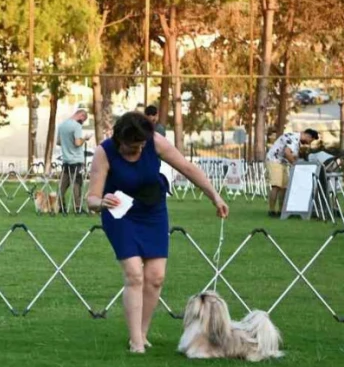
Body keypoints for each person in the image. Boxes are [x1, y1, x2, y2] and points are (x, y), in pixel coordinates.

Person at [86, 112, 229, 354]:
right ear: (120, 139)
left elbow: (186, 167)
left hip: (153, 213)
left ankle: (143, 331)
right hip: (121, 215)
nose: (139, 150)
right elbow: (91, 199)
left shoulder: (155, 142)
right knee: (134, 274)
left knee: (156, 277)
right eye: (133, 146)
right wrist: (102, 202)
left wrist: (214, 196)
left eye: (142, 145)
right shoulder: (104, 152)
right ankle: (136, 341)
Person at [266, 128, 318, 217]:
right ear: (308, 136)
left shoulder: (296, 141)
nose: (309, 143)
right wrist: (295, 164)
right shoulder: (294, 139)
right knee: (276, 186)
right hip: (274, 160)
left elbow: (292, 155)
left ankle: (281, 211)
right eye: (310, 140)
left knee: (284, 187)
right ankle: (271, 210)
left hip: (283, 163)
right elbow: (287, 153)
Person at [55, 109, 91, 214]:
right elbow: (77, 143)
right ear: (81, 115)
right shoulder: (76, 126)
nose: (82, 122)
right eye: (83, 120)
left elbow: (58, 142)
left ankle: (61, 206)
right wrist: (85, 138)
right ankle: (78, 208)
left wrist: (67, 144)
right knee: (77, 184)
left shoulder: (61, 126)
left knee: (62, 185)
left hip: (66, 160)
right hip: (76, 160)